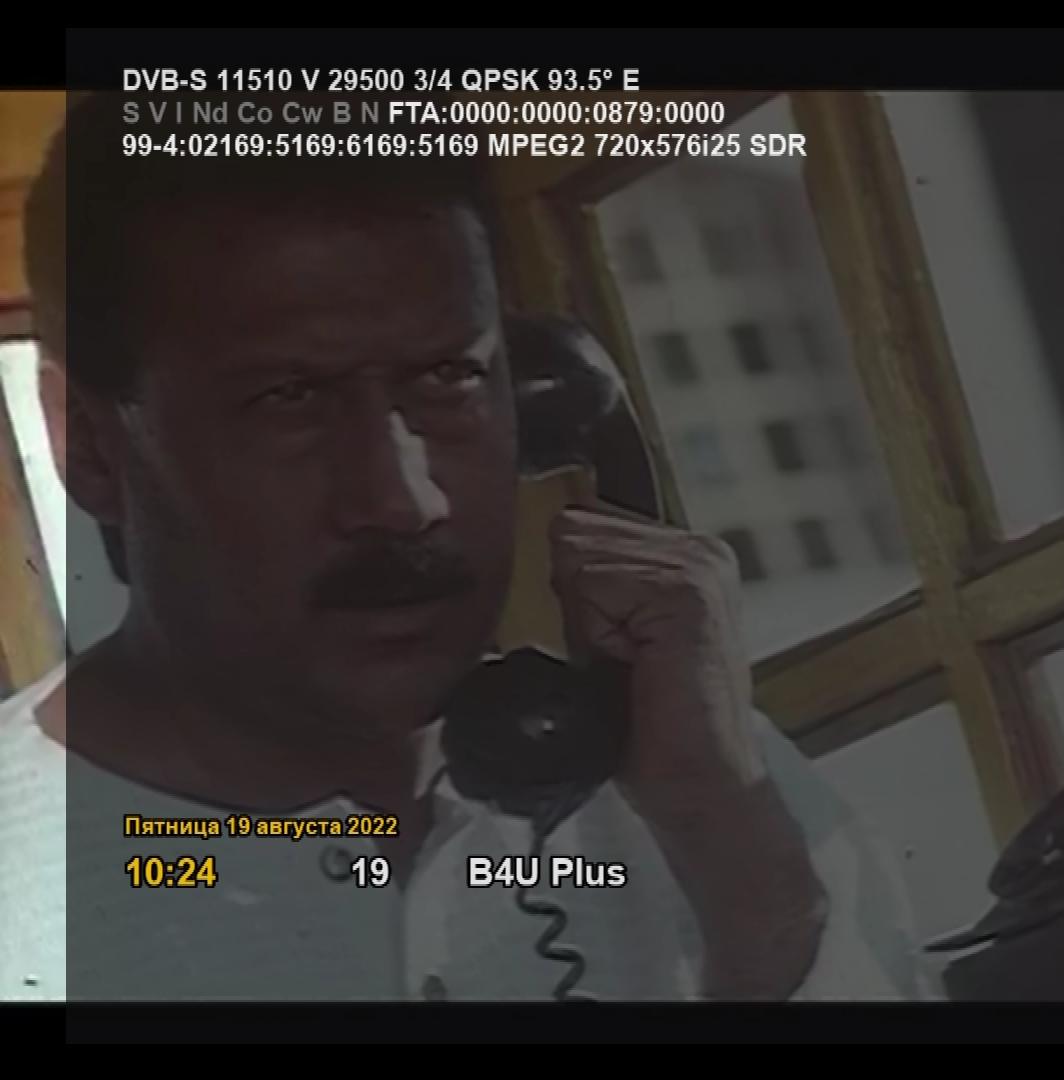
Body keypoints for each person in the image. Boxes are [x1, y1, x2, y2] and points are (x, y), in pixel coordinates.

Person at [0, 95, 929, 1002]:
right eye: (289, 399)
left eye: (450, 379)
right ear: (90, 445)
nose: (404, 502)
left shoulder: (693, 779)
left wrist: (739, 862)